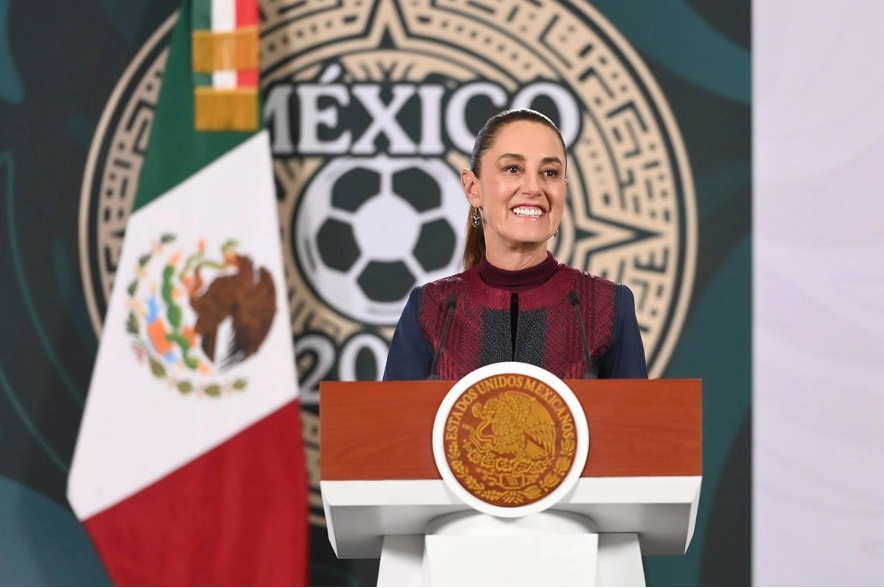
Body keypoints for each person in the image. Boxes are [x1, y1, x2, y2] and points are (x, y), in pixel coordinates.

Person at [383, 108, 648, 381]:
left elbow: (638, 422)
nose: (533, 187)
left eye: (550, 172)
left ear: (563, 190)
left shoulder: (608, 306)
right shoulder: (430, 308)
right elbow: (392, 422)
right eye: (513, 169)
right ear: (473, 188)